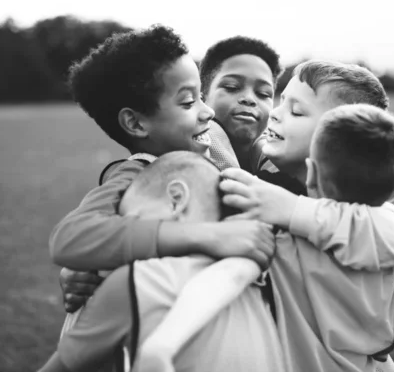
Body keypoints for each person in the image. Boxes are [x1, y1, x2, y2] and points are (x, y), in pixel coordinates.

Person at [140, 61, 394, 372]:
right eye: (281, 101)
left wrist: (289, 209)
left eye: (297, 111)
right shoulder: (363, 228)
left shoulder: (364, 225)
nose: (275, 112)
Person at [49, 25, 275, 335]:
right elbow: (71, 239)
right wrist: (205, 235)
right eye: (188, 102)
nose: (207, 112)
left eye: (265, 93)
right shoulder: (138, 175)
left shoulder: (221, 147)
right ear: (135, 122)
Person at [37, 152, 285, 372]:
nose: (126, 246)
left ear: (176, 199)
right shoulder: (262, 275)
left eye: (135, 221)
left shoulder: (139, 282)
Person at [200, 36, 282, 172]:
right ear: (202, 97)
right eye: (232, 87)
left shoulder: (286, 165)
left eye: (263, 93)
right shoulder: (178, 158)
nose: (249, 99)